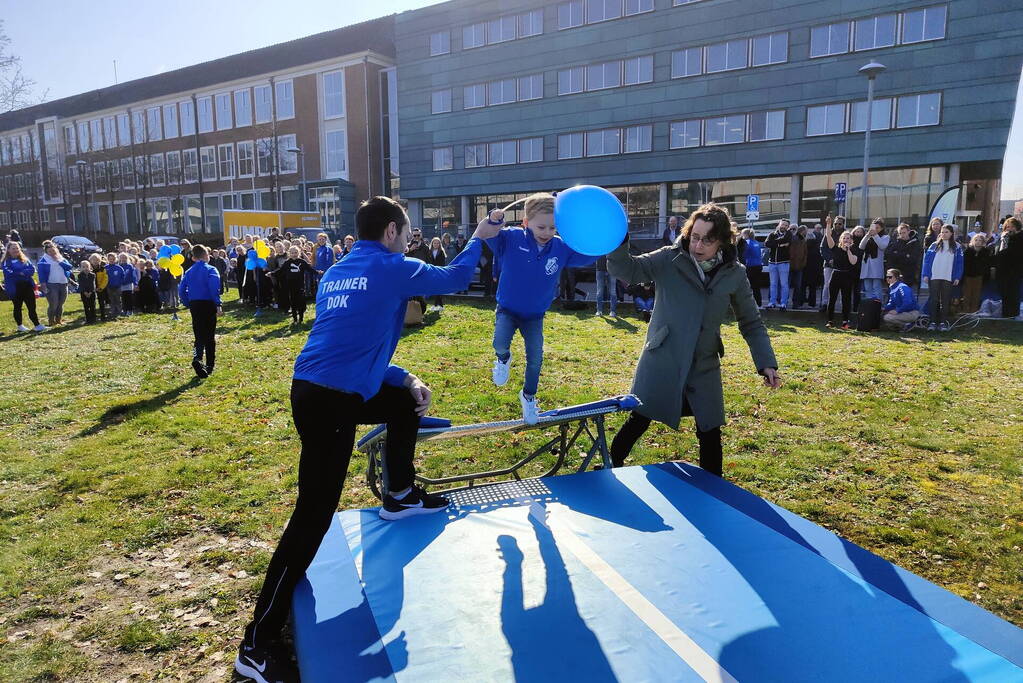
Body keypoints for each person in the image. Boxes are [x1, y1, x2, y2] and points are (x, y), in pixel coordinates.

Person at [235, 196, 500, 683]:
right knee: (312, 516)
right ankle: (256, 644)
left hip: (319, 387)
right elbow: (457, 280)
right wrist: (479, 239)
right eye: (407, 230)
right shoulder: (392, 264)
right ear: (391, 233)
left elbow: (355, 342)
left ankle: (398, 494)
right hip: (330, 401)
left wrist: (404, 378)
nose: (409, 237)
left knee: (403, 403)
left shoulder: (337, 270)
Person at [606, 203, 780, 475]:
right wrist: (619, 240)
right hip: (664, 358)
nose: (697, 246)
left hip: (704, 362)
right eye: (694, 237)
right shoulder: (669, 258)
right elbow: (628, 270)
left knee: (710, 429)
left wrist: (766, 363)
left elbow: (751, 322)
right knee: (639, 417)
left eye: (707, 240)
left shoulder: (734, 273)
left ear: (722, 241)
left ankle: (716, 493)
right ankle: (608, 467)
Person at [486, 193, 598, 423]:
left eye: (552, 228)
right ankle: (503, 358)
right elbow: (489, 233)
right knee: (499, 342)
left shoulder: (560, 248)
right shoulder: (510, 238)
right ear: (525, 222)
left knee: (535, 358)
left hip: (535, 315)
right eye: (541, 227)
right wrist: (494, 219)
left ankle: (528, 397)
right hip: (507, 308)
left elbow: (587, 255)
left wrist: (601, 239)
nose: (547, 233)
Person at [178, 244, 222, 378]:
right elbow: (214, 287)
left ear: (193, 258)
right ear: (206, 256)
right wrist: (217, 303)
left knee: (198, 333)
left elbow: (181, 289)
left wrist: (187, 302)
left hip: (195, 304)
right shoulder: (211, 269)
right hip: (208, 303)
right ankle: (209, 365)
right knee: (209, 335)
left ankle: (197, 358)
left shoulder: (189, 271)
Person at [921, 224, 963, 331]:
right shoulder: (934, 245)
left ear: (951, 233)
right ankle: (933, 322)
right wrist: (925, 274)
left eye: (947, 232)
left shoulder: (957, 246)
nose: (944, 234)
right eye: (942, 232)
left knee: (945, 300)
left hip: (948, 277)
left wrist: (957, 276)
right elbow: (927, 261)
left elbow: (959, 263)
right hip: (934, 276)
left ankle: (943, 322)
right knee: (934, 299)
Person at [2, 241, 45, 332]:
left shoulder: (24, 259)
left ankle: (37, 325)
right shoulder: (6, 261)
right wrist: (21, 272)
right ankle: (20, 326)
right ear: (8, 250)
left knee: (32, 306)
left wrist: (23, 272)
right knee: (17, 306)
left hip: (27, 285)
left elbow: (32, 270)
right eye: (13, 248)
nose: (16, 250)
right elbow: (8, 272)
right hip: (15, 287)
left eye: (17, 248)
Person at [824, 230, 859, 329]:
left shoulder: (854, 250)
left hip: (847, 276)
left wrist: (848, 250)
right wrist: (828, 225)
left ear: (851, 240)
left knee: (846, 300)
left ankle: (845, 322)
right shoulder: (836, 249)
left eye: (848, 238)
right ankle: (830, 321)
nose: (846, 240)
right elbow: (828, 237)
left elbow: (853, 262)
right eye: (844, 238)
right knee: (832, 299)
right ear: (841, 240)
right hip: (836, 275)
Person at [275, 245, 314, 325]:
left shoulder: (302, 262)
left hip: (300, 285)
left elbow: (310, 269)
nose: (294, 254)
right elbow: (280, 270)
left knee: (301, 302)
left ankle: (301, 318)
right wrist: (271, 273)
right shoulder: (287, 262)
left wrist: (318, 272)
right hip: (291, 285)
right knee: (293, 302)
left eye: (296, 253)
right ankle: (295, 319)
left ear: (298, 253)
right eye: (292, 253)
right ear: (289, 253)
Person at [37, 244, 74, 326]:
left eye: (53, 250)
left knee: (61, 303)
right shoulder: (43, 261)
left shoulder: (61, 258)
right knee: (54, 304)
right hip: (51, 284)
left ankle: (58, 319)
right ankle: (51, 320)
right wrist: (43, 285)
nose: (52, 253)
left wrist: (58, 261)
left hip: (63, 283)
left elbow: (69, 267)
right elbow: (41, 274)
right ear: (46, 252)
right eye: (49, 251)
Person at [994, 216, 1023, 319]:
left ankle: (1013, 314)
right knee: (1004, 293)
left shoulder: (1019, 238)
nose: (1008, 229)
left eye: (1010, 227)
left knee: (1013, 293)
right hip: (1003, 271)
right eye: (1006, 227)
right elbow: (997, 252)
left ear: (1016, 227)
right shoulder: (1003, 238)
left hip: (1015, 271)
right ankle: (1005, 313)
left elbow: (1015, 254)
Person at [858, 218, 890, 302]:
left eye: (878, 227)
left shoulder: (885, 237)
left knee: (876, 286)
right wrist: (867, 235)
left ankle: (878, 305)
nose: (875, 229)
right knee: (867, 287)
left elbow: (882, 246)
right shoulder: (869, 237)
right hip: (866, 264)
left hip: (876, 265)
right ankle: (870, 305)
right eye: (874, 227)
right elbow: (861, 246)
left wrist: (875, 235)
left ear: (882, 228)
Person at [819, 214, 846, 312]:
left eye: (840, 224)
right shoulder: (829, 233)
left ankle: (840, 306)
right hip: (828, 264)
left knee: (841, 286)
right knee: (827, 284)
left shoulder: (846, 234)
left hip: (841, 265)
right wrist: (829, 259)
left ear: (843, 224)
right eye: (836, 223)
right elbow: (823, 248)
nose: (837, 225)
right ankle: (824, 304)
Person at [764, 219, 792, 310]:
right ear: (779, 224)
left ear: (788, 227)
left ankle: (783, 303)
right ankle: (772, 302)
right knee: (773, 284)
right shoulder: (772, 234)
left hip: (783, 263)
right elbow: (767, 243)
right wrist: (780, 245)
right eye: (782, 224)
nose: (783, 226)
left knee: (784, 284)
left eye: (786, 225)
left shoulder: (789, 234)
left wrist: (774, 243)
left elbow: (786, 240)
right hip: (772, 263)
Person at [962, 233, 993, 314]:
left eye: (980, 240)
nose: (978, 242)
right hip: (968, 275)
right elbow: (965, 264)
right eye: (976, 240)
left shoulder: (986, 252)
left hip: (979, 276)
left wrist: (986, 276)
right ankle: (965, 311)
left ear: (983, 242)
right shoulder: (968, 251)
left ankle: (974, 311)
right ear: (973, 241)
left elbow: (987, 265)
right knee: (967, 294)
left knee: (976, 294)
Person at [887, 223, 920, 289]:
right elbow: (889, 254)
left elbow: (913, 258)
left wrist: (898, 254)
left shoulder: (915, 242)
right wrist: (905, 255)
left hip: (909, 273)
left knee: (906, 294)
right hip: (896, 273)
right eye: (900, 233)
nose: (902, 235)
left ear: (908, 232)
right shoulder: (895, 243)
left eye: (904, 233)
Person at [800, 223, 823, 309]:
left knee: (802, 286)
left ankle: (801, 301)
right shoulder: (817, 248)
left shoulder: (804, 246)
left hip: (804, 268)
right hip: (814, 270)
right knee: (812, 288)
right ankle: (812, 303)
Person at [740, 228, 763, 307]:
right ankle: (759, 303)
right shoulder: (756, 242)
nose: (742, 236)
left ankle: (748, 304)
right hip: (758, 265)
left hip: (750, 266)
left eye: (742, 235)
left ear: (746, 235)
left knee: (747, 286)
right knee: (756, 286)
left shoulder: (746, 242)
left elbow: (744, 254)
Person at [425, 236, 447, 311]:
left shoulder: (441, 252)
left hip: (439, 272)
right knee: (435, 289)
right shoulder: (429, 251)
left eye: (437, 243)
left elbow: (443, 263)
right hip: (431, 272)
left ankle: (438, 305)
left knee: (438, 288)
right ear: (432, 243)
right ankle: (439, 305)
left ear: (439, 244)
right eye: (434, 243)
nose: (436, 244)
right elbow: (428, 261)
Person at [788, 225, 807, 308]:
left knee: (796, 286)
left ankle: (794, 303)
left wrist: (803, 263)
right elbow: (791, 253)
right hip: (792, 266)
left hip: (798, 266)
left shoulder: (803, 240)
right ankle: (788, 303)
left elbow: (805, 253)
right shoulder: (793, 239)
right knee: (790, 285)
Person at [594, 253, 617, 318]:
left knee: (613, 291)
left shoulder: (612, 244)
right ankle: (599, 310)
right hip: (600, 269)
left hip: (612, 270)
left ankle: (613, 311)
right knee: (599, 292)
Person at [105, 253, 124, 318]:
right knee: (111, 299)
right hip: (109, 287)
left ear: (115, 259)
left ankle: (119, 311)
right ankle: (112, 311)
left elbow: (122, 276)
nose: (111, 260)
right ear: (108, 259)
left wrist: (119, 283)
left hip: (118, 286)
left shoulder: (119, 268)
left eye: (113, 259)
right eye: (110, 259)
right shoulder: (105, 268)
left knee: (118, 299)